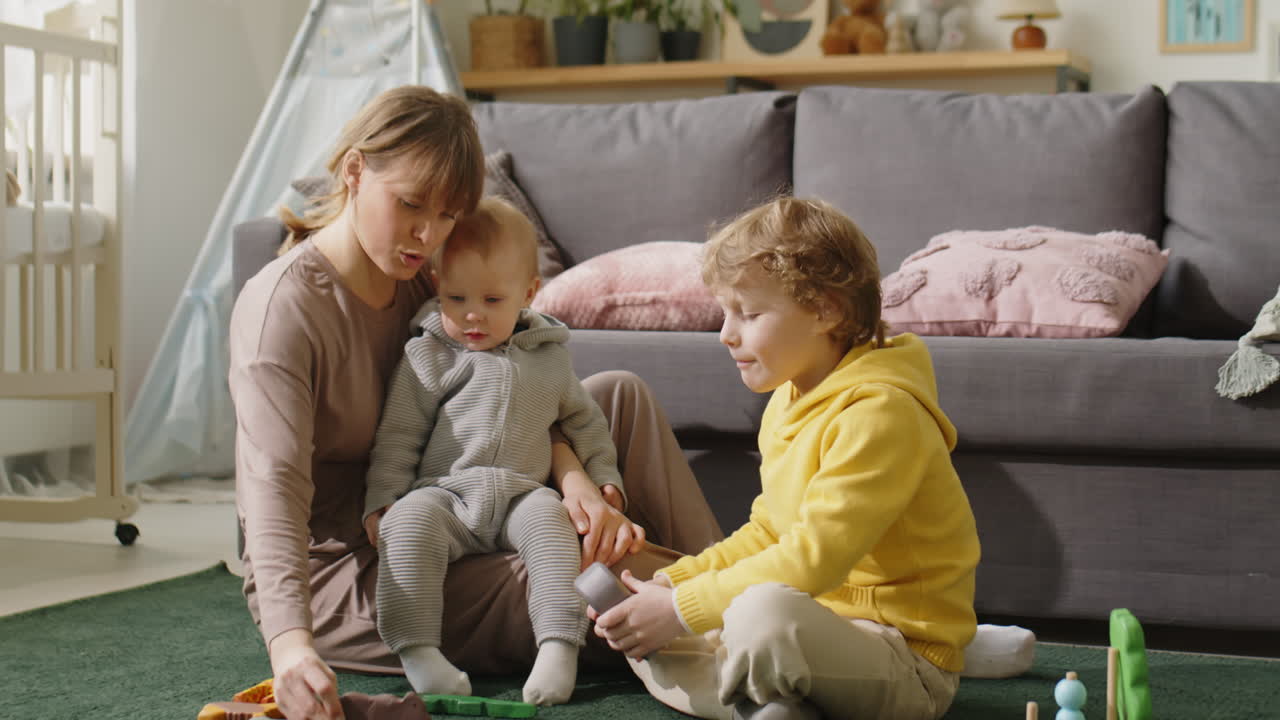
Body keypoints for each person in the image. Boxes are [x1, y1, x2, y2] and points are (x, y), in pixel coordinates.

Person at [228, 86, 723, 720]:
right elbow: (271, 487)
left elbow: (501, 393)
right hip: (366, 565)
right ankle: (734, 608)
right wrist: (291, 646)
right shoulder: (283, 312)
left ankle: (726, 575)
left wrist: (575, 479)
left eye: (446, 217)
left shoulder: (419, 277)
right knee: (567, 581)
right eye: (410, 206)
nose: (427, 235)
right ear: (354, 170)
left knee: (619, 394)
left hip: (469, 496)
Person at [592, 196, 983, 720]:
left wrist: (683, 611)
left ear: (826, 310)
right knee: (631, 593)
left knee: (759, 612)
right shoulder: (790, 397)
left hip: (904, 655)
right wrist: (674, 585)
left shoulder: (880, 413)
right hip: (819, 624)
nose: (726, 334)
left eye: (749, 314)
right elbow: (768, 532)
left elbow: (811, 559)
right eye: (726, 312)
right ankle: (773, 698)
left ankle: (762, 694)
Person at [362, 196, 641, 705]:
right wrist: (384, 499)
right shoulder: (427, 354)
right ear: (437, 289)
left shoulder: (550, 359)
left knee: (556, 529)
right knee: (406, 524)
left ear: (529, 294)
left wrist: (604, 480)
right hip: (447, 494)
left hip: (521, 494)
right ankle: (418, 652)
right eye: (455, 298)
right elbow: (399, 435)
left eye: (492, 301)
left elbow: (585, 423)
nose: (471, 315)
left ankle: (559, 647)